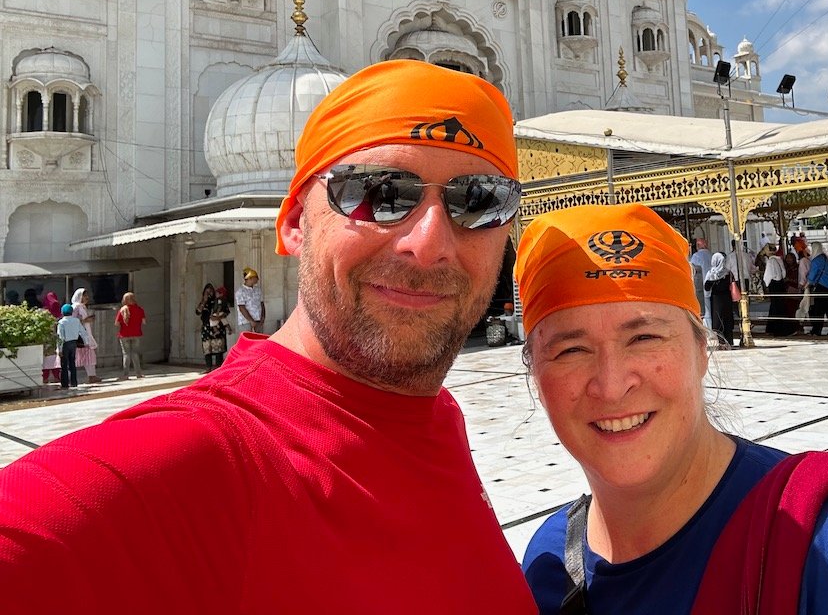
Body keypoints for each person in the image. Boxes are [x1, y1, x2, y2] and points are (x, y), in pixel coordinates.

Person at [0, 60, 538, 613]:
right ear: (295, 222)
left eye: (479, 201)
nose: (429, 244)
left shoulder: (433, 416)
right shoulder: (196, 455)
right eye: (379, 192)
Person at [516, 204, 828, 615]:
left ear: (702, 349)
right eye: (571, 350)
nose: (613, 385)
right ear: (535, 372)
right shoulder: (548, 566)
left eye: (644, 337)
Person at [703, 252, 738, 347]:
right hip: (727, 299)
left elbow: (706, 288)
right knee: (727, 320)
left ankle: (721, 343)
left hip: (716, 300)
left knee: (718, 320)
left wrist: (712, 282)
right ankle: (729, 341)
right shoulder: (728, 273)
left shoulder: (711, 274)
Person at [196, 283, 233, 372]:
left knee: (218, 348)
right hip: (206, 327)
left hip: (218, 326)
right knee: (207, 348)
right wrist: (204, 301)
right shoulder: (203, 302)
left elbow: (226, 311)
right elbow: (198, 312)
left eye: (210, 292)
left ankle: (218, 368)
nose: (209, 294)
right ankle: (208, 367)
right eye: (207, 292)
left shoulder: (218, 300)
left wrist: (218, 318)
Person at [762, 244, 797, 336]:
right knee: (779, 306)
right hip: (780, 283)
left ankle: (780, 330)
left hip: (774, 285)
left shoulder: (770, 261)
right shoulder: (779, 259)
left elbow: (768, 276)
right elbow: (784, 273)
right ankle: (772, 328)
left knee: (776, 307)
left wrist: (766, 284)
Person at [806, 242, 828, 336]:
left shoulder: (816, 260)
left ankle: (816, 330)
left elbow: (812, 274)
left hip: (821, 287)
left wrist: (807, 284)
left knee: (818, 310)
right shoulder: (826, 258)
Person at [70, 288, 100, 384]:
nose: (87, 297)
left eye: (87, 295)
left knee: (88, 356)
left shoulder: (82, 306)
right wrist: (85, 320)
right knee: (84, 355)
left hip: (85, 334)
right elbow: (72, 321)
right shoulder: (76, 307)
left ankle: (92, 376)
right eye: (84, 295)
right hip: (80, 335)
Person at [55, 304, 88, 390]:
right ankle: (74, 382)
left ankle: (65, 383)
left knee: (64, 364)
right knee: (72, 363)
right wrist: (86, 342)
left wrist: (59, 349)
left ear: (62, 312)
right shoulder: (76, 321)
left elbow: (60, 337)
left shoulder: (61, 322)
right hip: (73, 343)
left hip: (65, 344)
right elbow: (83, 332)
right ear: (72, 312)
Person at [115, 292, 146, 379]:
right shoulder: (140, 309)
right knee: (135, 354)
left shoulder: (122, 310)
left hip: (124, 335)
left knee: (126, 354)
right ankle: (138, 374)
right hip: (136, 334)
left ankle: (125, 375)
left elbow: (116, 323)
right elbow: (144, 322)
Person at [689, 237, 714, 330]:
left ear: (698, 246)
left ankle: (708, 329)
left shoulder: (696, 256)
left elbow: (692, 270)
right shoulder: (711, 255)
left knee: (705, 310)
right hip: (712, 284)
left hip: (701, 285)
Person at [234, 266, 265, 339]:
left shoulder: (258, 290)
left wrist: (263, 317)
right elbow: (242, 307)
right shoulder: (240, 291)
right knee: (247, 341)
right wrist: (251, 321)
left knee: (259, 341)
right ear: (250, 278)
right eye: (255, 277)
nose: (257, 279)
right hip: (246, 322)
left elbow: (262, 304)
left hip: (258, 321)